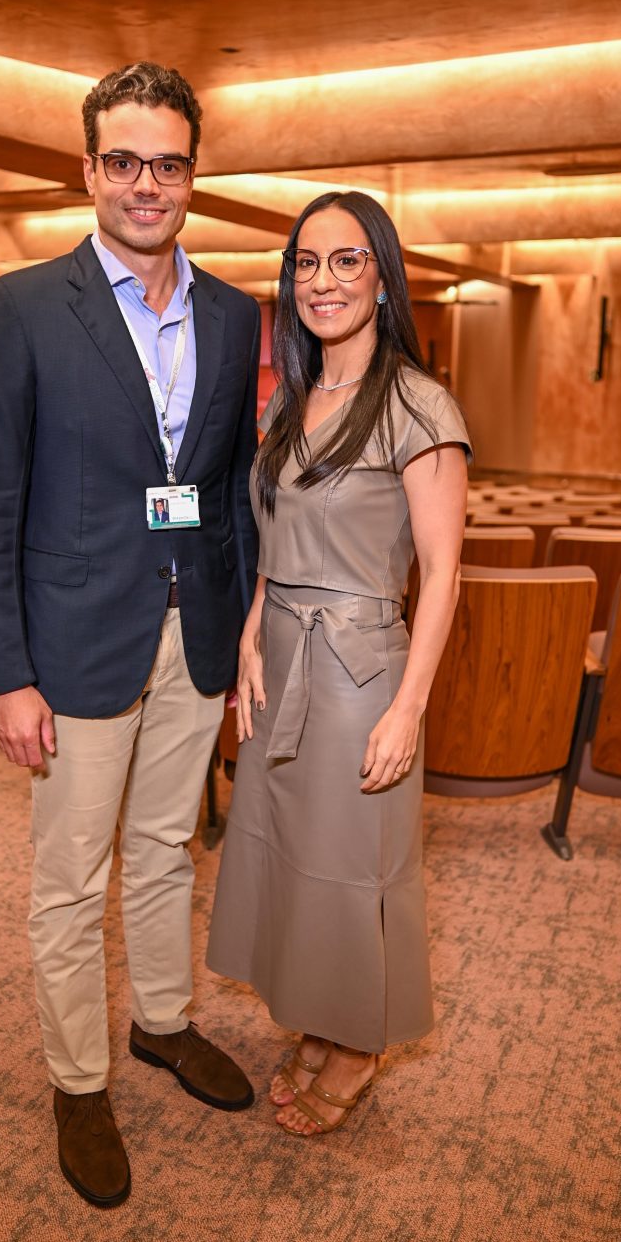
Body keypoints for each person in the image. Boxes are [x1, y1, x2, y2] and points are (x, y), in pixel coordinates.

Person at [0, 62, 262, 1206]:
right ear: (88, 170)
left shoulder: (233, 314)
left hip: (190, 634)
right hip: (72, 644)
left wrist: (234, 637)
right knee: (68, 877)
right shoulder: (26, 304)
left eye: (169, 161)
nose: (148, 184)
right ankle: (77, 1080)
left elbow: (223, 490)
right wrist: (6, 674)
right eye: (124, 161)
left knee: (161, 852)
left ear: (194, 172)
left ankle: (162, 1023)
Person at [206, 190, 471, 1137]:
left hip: (362, 671)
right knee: (297, 854)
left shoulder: (417, 403)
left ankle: (358, 1045)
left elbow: (441, 573)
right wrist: (247, 634)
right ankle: (322, 1019)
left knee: (358, 862)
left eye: (347, 260)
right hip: (279, 659)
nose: (324, 281)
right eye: (307, 263)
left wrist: (408, 708)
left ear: (382, 274)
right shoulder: (293, 399)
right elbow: (271, 535)